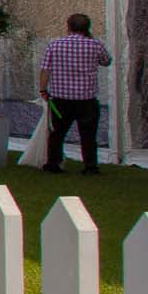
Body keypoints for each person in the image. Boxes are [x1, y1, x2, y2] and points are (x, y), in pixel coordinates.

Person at [38, 12, 112, 174]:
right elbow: (107, 61)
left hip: (61, 98)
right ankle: (90, 166)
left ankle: (53, 163)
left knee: (57, 132)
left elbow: (45, 69)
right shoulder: (94, 45)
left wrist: (43, 89)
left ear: (68, 26)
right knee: (88, 134)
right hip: (86, 98)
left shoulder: (55, 44)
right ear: (87, 28)